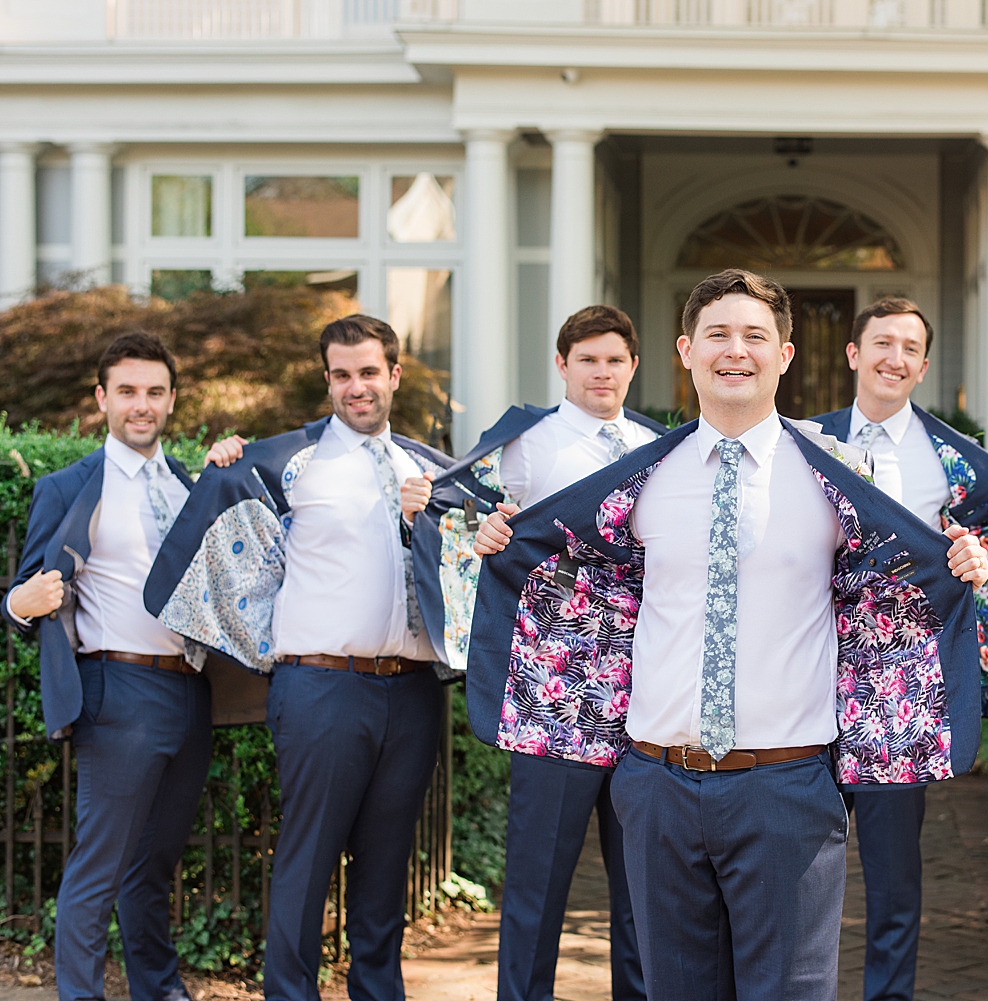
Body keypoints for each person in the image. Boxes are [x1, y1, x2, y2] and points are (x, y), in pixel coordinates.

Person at [460, 268, 988, 1001]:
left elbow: (902, 578)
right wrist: (502, 539)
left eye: (755, 335)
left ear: (786, 354)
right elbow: (569, 574)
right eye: (717, 334)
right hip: (655, 786)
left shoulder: (841, 474)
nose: (735, 350)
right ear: (686, 349)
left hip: (787, 789)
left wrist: (962, 559)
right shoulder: (637, 477)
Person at [144, 315, 452, 1001]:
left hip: (413, 691)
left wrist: (428, 522)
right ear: (327, 381)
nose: (355, 387)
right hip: (322, 687)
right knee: (308, 859)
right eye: (341, 375)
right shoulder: (286, 460)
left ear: (394, 374)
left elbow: (465, 569)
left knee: (386, 865)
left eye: (368, 372)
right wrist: (222, 457)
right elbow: (221, 524)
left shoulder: (428, 468)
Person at [810, 297, 988, 1001]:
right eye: (881, 343)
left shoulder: (948, 457)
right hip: (805, 673)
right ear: (854, 353)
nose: (894, 358)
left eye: (909, 347)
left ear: (924, 365)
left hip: (901, 689)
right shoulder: (804, 441)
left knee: (893, 884)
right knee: (795, 875)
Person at [411, 304, 664, 1001]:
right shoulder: (527, 444)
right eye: (588, 359)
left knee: (642, 890)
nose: (602, 372)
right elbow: (452, 511)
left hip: (645, 697)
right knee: (537, 881)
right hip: (553, 692)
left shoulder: (660, 445)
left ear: (633, 366)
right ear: (562, 365)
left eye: (615, 359)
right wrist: (482, 531)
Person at [3, 333, 241, 1001]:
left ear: (171, 400)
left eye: (155, 392)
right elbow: (22, 594)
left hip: (192, 692)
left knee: (154, 864)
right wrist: (22, 601)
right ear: (102, 398)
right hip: (118, 691)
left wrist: (230, 471)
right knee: (100, 867)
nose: (142, 405)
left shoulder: (189, 482)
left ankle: (158, 990)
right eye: (128, 391)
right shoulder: (70, 485)